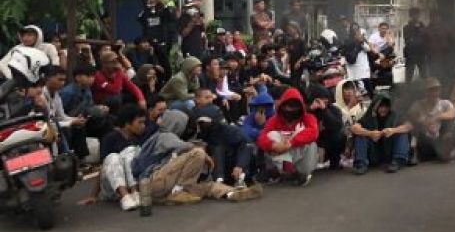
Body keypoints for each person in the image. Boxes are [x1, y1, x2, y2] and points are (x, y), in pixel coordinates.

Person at [133, 109, 261, 204]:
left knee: (208, 186)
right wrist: (204, 154)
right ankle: (178, 192)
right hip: (153, 181)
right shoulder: (163, 136)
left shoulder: (165, 138)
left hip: (165, 186)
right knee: (198, 153)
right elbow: (188, 147)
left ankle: (232, 193)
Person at [79, 104, 147, 210]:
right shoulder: (110, 138)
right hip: (112, 188)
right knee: (113, 156)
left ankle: (135, 192)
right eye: (140, 122)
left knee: (131, 151)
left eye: (144, 122)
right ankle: (125, 197)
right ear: (127, 124)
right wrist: (93, 195)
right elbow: (103, 167)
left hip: (135, 184)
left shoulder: (140, 137)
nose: (143, 126)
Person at [256, 88, 320, 186]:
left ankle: (301, 173)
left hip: (298, 155)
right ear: (282, 106)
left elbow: (313, 132)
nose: (291, 109)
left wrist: (291, 142)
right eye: (288, 106)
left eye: (294, 106)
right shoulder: (274, 120)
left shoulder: (309, 118)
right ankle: (278, 171)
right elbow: (262, 137)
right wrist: (274, 145)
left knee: (311, 142)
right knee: (271, 135)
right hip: (279, 154)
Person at [350, 89, 413, 174]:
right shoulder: (369, 117)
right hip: (374, 151)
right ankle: (361, 163)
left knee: (402, 133)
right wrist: (370, 133)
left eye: (386, 106)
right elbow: (354, 128)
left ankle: (398, 161)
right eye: (381, 106)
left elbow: (409, 126)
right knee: (360, 136)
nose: (384, 109)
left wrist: (393, 130)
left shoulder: (395, 115)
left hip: (390, 149)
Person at [137, 0, 176, 68]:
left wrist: (162, 6)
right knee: (150, 61)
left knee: (163, 61)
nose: (151, 1)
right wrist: (147, 8)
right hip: (149, 41)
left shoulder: (162, 9)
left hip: (161, 41)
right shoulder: (145, 12)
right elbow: (140, 18)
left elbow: (171, 17)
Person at [402, 9, 428, 82]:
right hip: (411, 53)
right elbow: (407, 40)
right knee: (409, 75)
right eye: (413, 15)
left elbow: (426, 37)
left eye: (417, 14)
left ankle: (424, 89)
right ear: (410, 16)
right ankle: (407, 91)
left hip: (421, 53)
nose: (415, 17)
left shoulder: (423, 26)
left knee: (424, 75)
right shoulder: (406, 27)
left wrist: (420, 29)